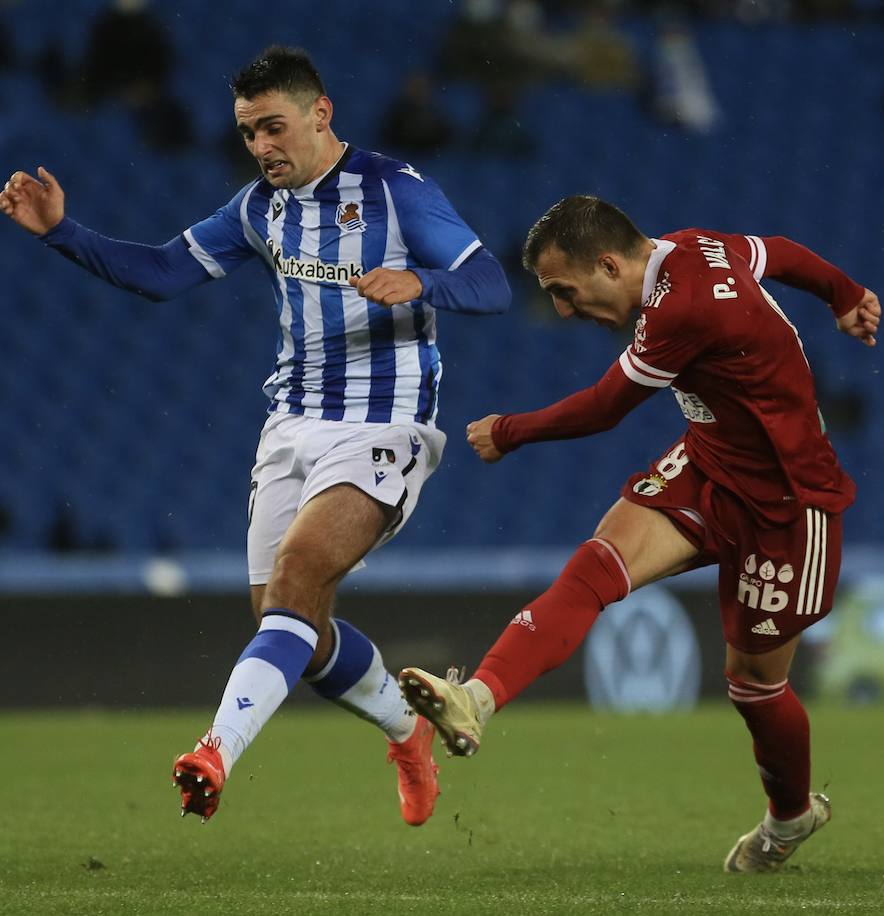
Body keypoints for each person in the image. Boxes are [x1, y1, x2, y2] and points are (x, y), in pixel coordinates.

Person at [0, 45, 511, 825]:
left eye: (274, 127)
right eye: (248, 133)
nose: (262, 147)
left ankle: (215, 751)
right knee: (290, 622)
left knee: (299, 576)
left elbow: (491, 282)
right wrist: (61, 232)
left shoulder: (394, 191)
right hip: (291, 425)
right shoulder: (254, 210)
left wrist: (423, 281)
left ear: (320, 113)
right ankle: (408, 734)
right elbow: (164, 272)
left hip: (385, 423)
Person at [397, 195, 880, 873]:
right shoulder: (695, 243)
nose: (563, 311)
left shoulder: (680, 310)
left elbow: (603, 408)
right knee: (596, 567)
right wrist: (846, 294)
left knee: (753, 685)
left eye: (565, 291)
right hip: (710, 465)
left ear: (608, 263)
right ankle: (475, 697)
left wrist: (510, 431)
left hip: (788, 503)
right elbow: (779, 249)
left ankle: (791, 816)